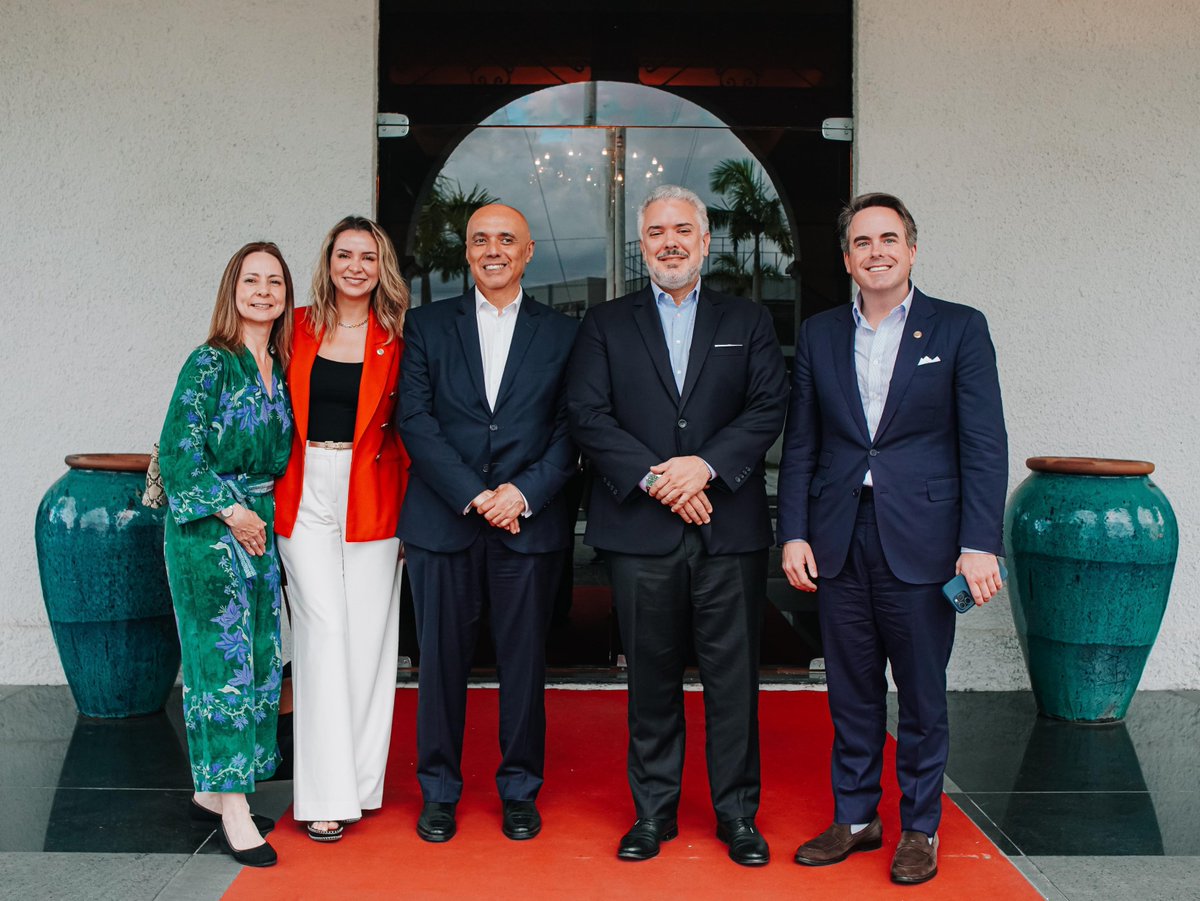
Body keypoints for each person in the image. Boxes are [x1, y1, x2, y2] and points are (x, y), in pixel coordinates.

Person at [778, 192, 1008, 885]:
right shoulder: (819, 334)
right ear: (845, 257)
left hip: (927, 538)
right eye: (862, 241)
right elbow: (802, 445)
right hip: (839, 534)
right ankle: (855, 816)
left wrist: (979, 541)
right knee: (849, 689)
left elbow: (984, 443)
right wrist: (792, 532)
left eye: (889, 239)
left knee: (921, 692)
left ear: (912, 249)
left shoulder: (959, 328)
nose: (876, 252)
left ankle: (920, 826)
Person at [567, 185, 788, 867]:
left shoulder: (747, 319)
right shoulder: (605, 322)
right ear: (642, 244)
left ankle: (738, 815)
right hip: (641, 530)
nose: (669, 241)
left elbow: (767, 405)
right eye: (657, 231)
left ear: (705, 239)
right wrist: (663, 478)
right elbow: (588, 413)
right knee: (650, 678)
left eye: (682, 229)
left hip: (729, 530)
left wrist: (706, 468)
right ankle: (653, 811)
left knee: (733, 679)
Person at [396, 203, 578, 843]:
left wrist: (520, 495)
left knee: (525, 667)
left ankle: (520, 790)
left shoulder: (563, 332)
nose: (493, 249)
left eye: (507, 239)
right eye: (480, 239)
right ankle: (440, 791)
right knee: (439, 664)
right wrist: (476, 494)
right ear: (466, 252)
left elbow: (570, 431)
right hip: (444, 522)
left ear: (529, 253)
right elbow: (414, 421)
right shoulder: (426, 326)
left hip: (527, 528)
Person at [159, 242, 295, 867]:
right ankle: (236, 808)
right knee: (223, 667)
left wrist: (259, 517)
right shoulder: (209, 363)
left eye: (274, 281)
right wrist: (234, 511)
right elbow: (179, 450)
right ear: (231, 290)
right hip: (210, 533)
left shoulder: (280, 364)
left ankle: (214, 790)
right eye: (251, 280)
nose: (263, 291)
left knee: (261, 658)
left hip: (259, 526)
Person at [274, 216, 410, 843]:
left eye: (368, 256)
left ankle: (359, 782)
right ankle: (322, 795)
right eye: (344, 254)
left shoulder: (400, 337)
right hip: (304, 490)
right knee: (322, 631)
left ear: (383, 267)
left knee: (368, 641)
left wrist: (415, 514)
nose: (355, 266)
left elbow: (412, 429)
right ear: (328, 261)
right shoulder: (294, 329)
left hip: (374, 492)